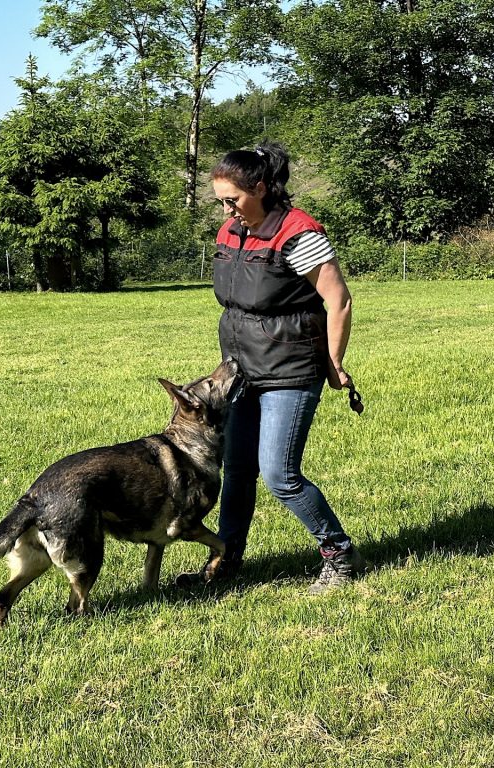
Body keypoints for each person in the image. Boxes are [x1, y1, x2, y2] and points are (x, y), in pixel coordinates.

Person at [178, 141, 366, 594]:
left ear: (260, 187)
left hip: (290, 370)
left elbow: (338, 300)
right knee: (238, 471)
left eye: (234, 200)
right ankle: (227, 558)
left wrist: (335, 363)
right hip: (240, 370)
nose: (227, 210)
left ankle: (339, 552)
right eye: (221, 201)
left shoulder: (297, 233)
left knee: (280, 474)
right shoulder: (232, 231)